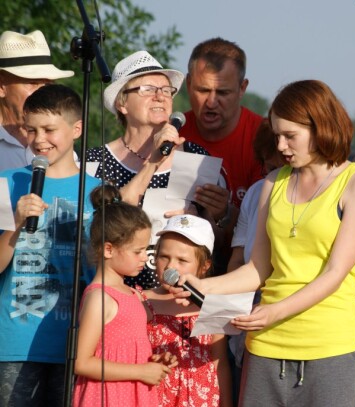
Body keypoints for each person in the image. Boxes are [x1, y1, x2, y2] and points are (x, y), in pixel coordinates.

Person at [170, 80, 355, 407]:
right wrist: (203, 286)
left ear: (321, 127)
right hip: (265, 345)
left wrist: (274, 312)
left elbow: (335, 274)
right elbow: (257, 269)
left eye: (290, 136)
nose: (281, 146)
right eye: (277, 135)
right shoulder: (272, 182)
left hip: (329, 347)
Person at [87, 50, 227, 288]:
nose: (160, 97)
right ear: (122, 103)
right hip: (117, 301)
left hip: (177, 304)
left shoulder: (197, 157)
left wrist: (216, 217)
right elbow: (92, 235)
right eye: (148, 89)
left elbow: (221, 245)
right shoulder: (94, 163)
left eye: (165, 90)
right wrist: (153, 161)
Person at [0, 84, 100, 406]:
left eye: (49, 129)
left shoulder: (99, 192)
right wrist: (14, 227)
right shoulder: (9, 181)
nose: (39, 140)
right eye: (31, 130)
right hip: (15, 343)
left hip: (75, 345)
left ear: (77, 128)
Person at [73, 184, 177, 407]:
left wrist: (153, 362)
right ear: (108, 249)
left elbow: (127, 350)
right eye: (137, 251)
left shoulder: (131, 293)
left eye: (146, 249)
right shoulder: (100, 298)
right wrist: (141, 371)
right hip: (107, 397)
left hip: (133, 394)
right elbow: (81, 362)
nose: (144, 258)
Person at [140, 214, 233, 407]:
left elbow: (219, 362)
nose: (171, 266)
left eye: (182, 260)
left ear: (204, 266)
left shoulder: (210, 304)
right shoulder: (142, 300)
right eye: (164, 256)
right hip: (156, 397)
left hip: (203, 398)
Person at [226, 119, 283, 405]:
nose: (276, 178)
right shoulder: (256, 193)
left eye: (283, 167)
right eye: (271, 169)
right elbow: (238, 261)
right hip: (249, 321)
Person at [181, 37, 264, 213]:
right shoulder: (171, 134)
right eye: (203, 90)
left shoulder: (266, 139)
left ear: (242, 88)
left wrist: (226, 213)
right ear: (188, 84)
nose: (211, 102)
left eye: (222, 92)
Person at [0, 30, 74, 172]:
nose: (42, 92)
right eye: (32, 83)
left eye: (47, 84)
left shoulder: (59, 139)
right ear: (1, 87)